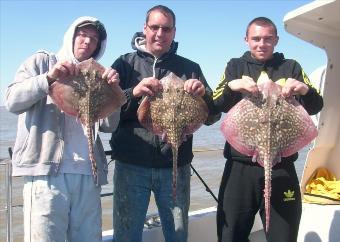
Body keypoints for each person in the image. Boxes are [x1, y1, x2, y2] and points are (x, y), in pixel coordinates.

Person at [5, 16, 122, 242]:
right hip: (46, 174)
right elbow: (12, 101)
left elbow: (109, 125)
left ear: (99, 46)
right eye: (83, 35)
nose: (87, 41)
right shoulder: (41, 62)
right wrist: (49, 78)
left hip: (89, 174)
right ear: (71, 35)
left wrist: (114, 91)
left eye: (94, 39)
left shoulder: (100, 74)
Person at [109, 5, 220, 242]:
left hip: (175, 166)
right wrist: (134, 92)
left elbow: (211, 117)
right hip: (131, 166)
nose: (160, 33)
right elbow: (106, 111)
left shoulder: (190, 68)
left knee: (177, 235)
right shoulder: (124, 63)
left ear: (174, 32)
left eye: (166, 29)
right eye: (155, 27)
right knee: (126, 236)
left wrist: (203, 96)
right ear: (145, 29)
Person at [212, 17, 323, 242]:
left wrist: (303, 89)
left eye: (267, 39)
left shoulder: (291, 67)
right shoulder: (235, 66)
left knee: (283, 235)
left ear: (276, 40)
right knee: (230, 234)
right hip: (240, 166)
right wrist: (232, 87)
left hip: (281, 164)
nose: (261, 43)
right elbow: (215, 105)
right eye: (256, 39)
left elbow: (316, 105)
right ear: (246, 40)